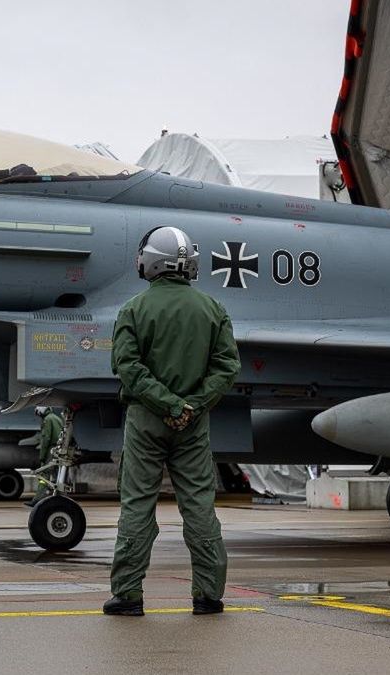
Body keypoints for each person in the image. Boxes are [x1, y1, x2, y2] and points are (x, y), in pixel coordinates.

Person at [103, 226, 240, 617]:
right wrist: (190, 407)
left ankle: (128, 596)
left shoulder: (133, 310)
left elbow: (127, 367)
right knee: (199, 506)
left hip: (146, 421)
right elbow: (227, 367)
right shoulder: (214, 310)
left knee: (137, 506)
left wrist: (167, 403)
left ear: (150, 262)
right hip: (193, 425)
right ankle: (208, 596)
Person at [25, 406, 64, 507]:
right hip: (59, 450)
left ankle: (37, 500)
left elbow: (46, 438)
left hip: (51, 451)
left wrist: (42, 456)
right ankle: (59, 499)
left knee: (44, 476)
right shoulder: (57, 418)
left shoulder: (47, 420)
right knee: (58, 476)